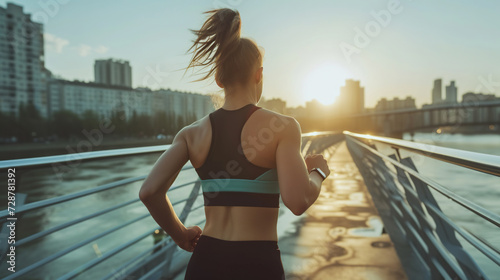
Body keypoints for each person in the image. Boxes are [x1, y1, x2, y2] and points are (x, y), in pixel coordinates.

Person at [139, 8, 330, 280]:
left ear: (218, 79)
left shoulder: (191, 134)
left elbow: (149, 192)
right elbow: (298, 201)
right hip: (257, 263)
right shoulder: (283, 127)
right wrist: (317, 172)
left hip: (205, 262)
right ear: (259, 74)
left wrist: (181, 235)